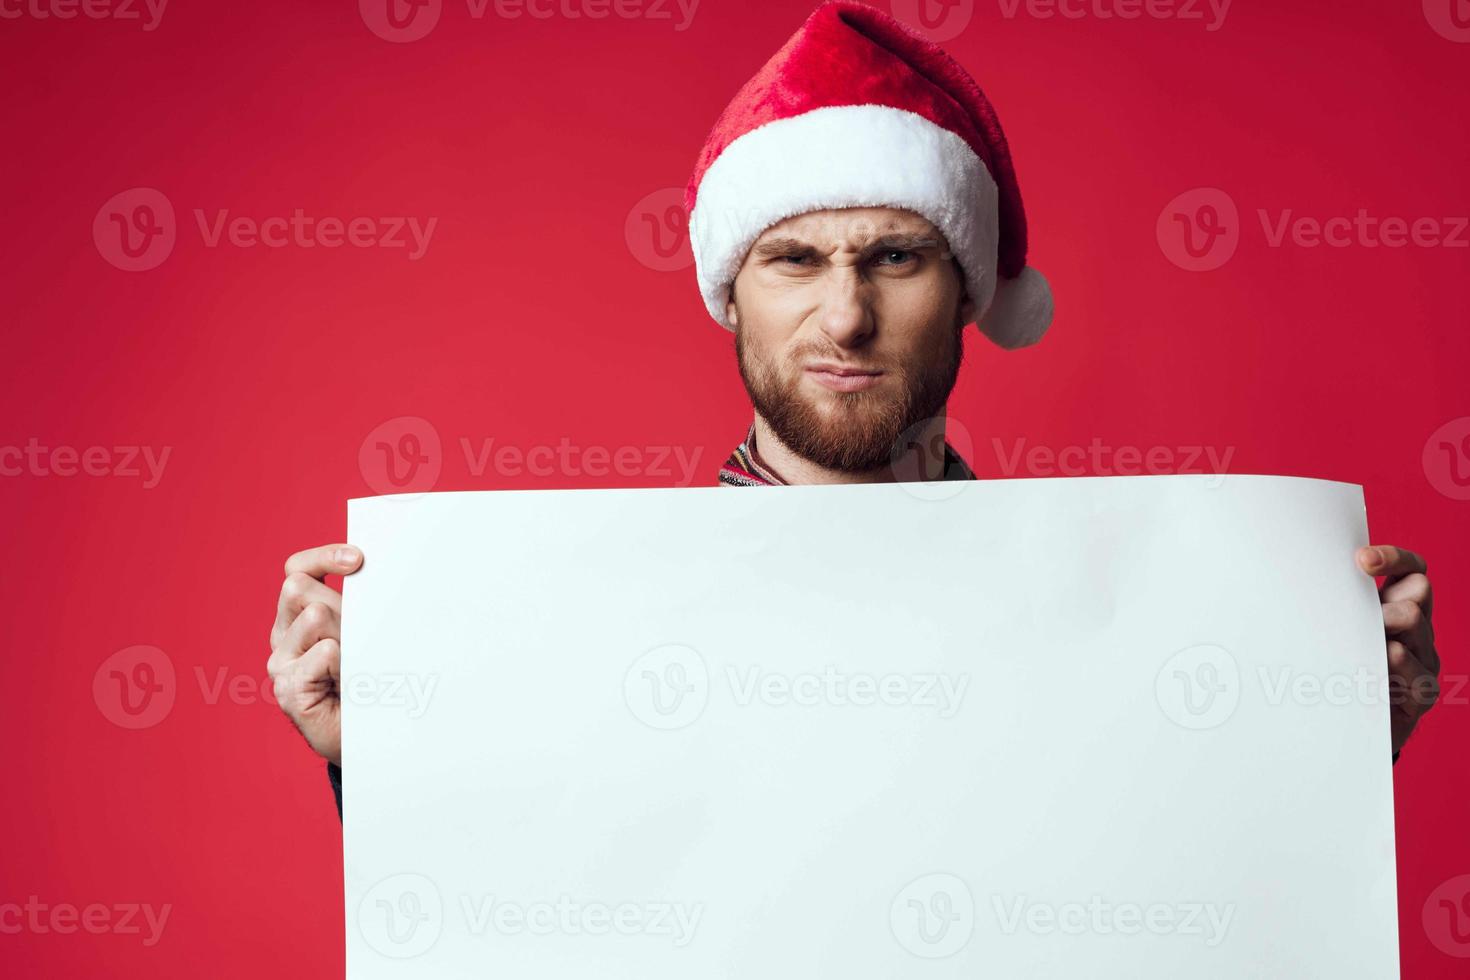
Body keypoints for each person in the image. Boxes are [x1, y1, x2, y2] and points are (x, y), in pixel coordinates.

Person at [265, 1, 1440, 818]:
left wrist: (1340, 734)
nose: (844, 317)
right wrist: (374, 763)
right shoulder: (579, 629)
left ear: (967, 290)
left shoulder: (1119, 620)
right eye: (794, 260)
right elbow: (528, 896)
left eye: (893, 256)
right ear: (730, 295)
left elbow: (1198, 884)